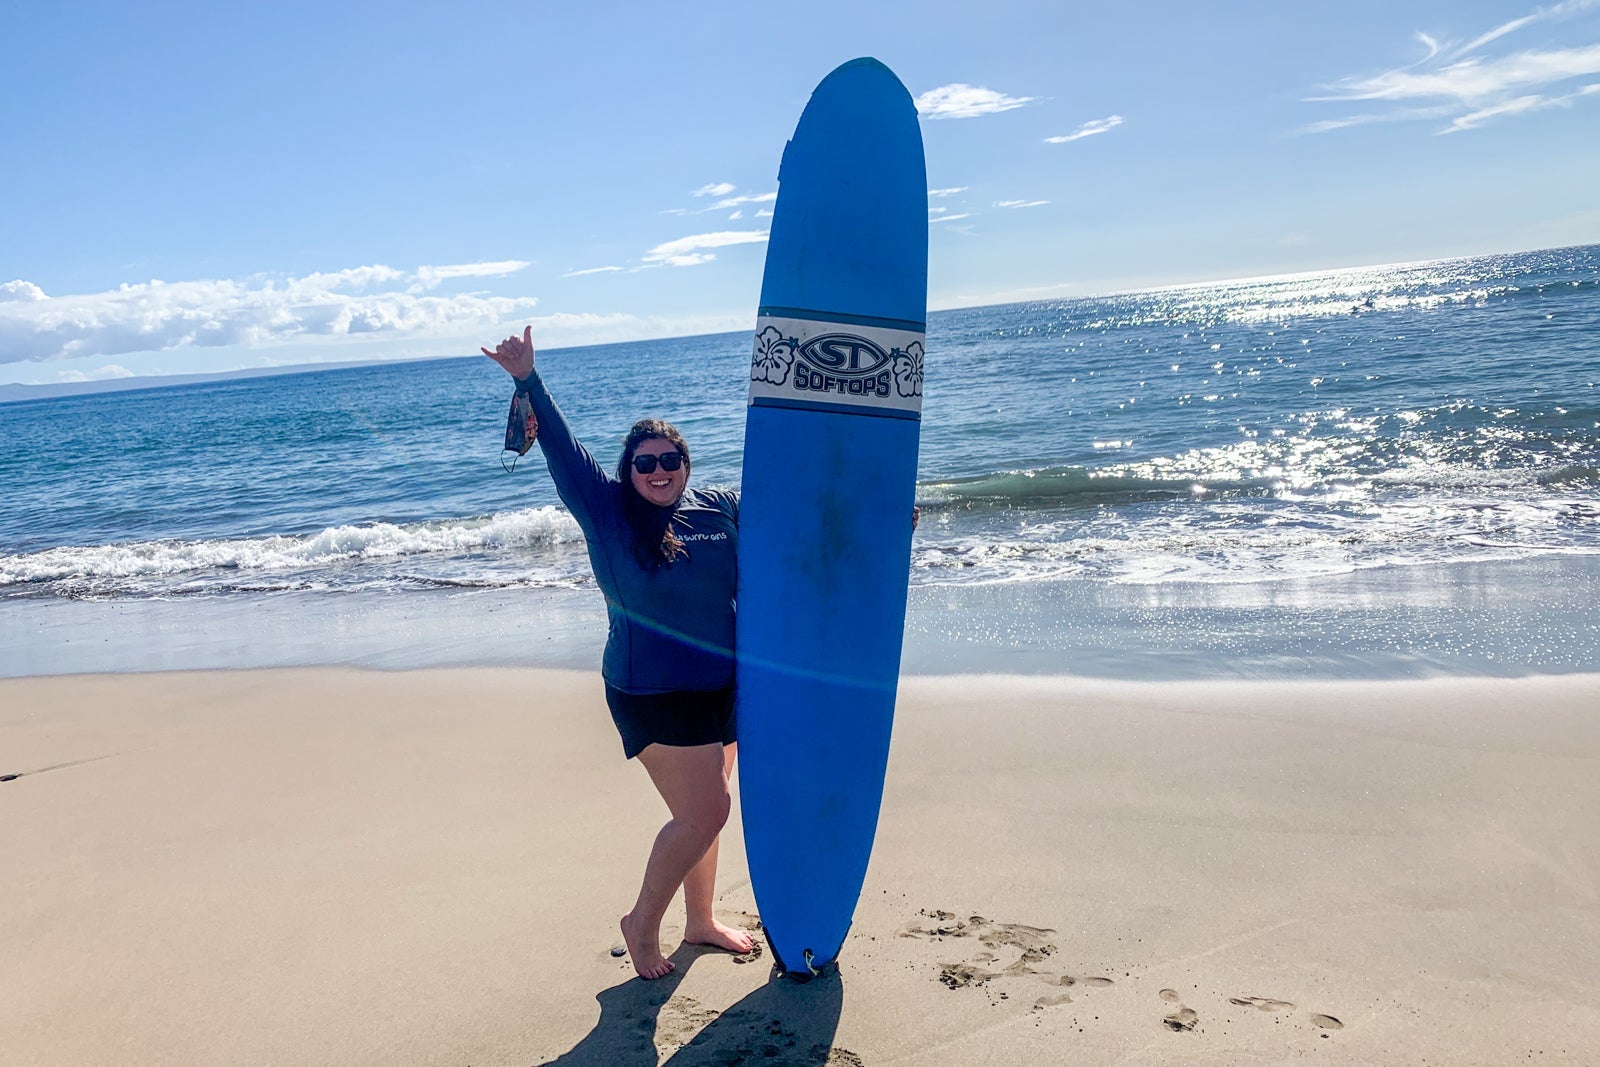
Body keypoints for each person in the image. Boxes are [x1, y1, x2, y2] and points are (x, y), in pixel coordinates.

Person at [483, 326, 755, 979]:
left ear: (687, 465)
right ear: (628, 469)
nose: (659, 471)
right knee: (706, 810)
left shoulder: (719, 508)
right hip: (650, 690)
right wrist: (528, 380)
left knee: (706, 808)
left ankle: (700, 921)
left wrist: (881, 515)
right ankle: (641, 924)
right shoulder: (605, 510)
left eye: (670, 461)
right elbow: (564, 450)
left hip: (722, 684)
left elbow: (794, 517)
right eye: (645, 462)